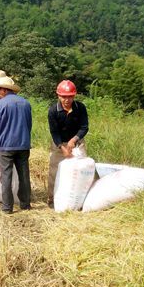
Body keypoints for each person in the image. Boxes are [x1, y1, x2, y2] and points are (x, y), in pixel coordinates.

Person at [0, 76, 32, 214]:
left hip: (6, 146)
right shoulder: (26, 103)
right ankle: (25, 205)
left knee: (6, 176)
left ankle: (7, 208)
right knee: (24, 175)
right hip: (23, 145)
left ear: (4, 90)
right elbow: (29, 124)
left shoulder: (0, 104)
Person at [47, 80, 89, 208]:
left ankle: (81, 198)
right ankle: (52, 198)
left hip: (77, 143)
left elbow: (84, 127)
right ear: (58, 96)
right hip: (59, 143)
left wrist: (74, 139)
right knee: (55, 170)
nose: (67, 100)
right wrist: (62, 147)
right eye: (64, 96)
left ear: (74, 96)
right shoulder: (53, 111)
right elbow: (54, 132)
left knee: (82, 169)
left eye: (70, 96)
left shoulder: (80, 108)